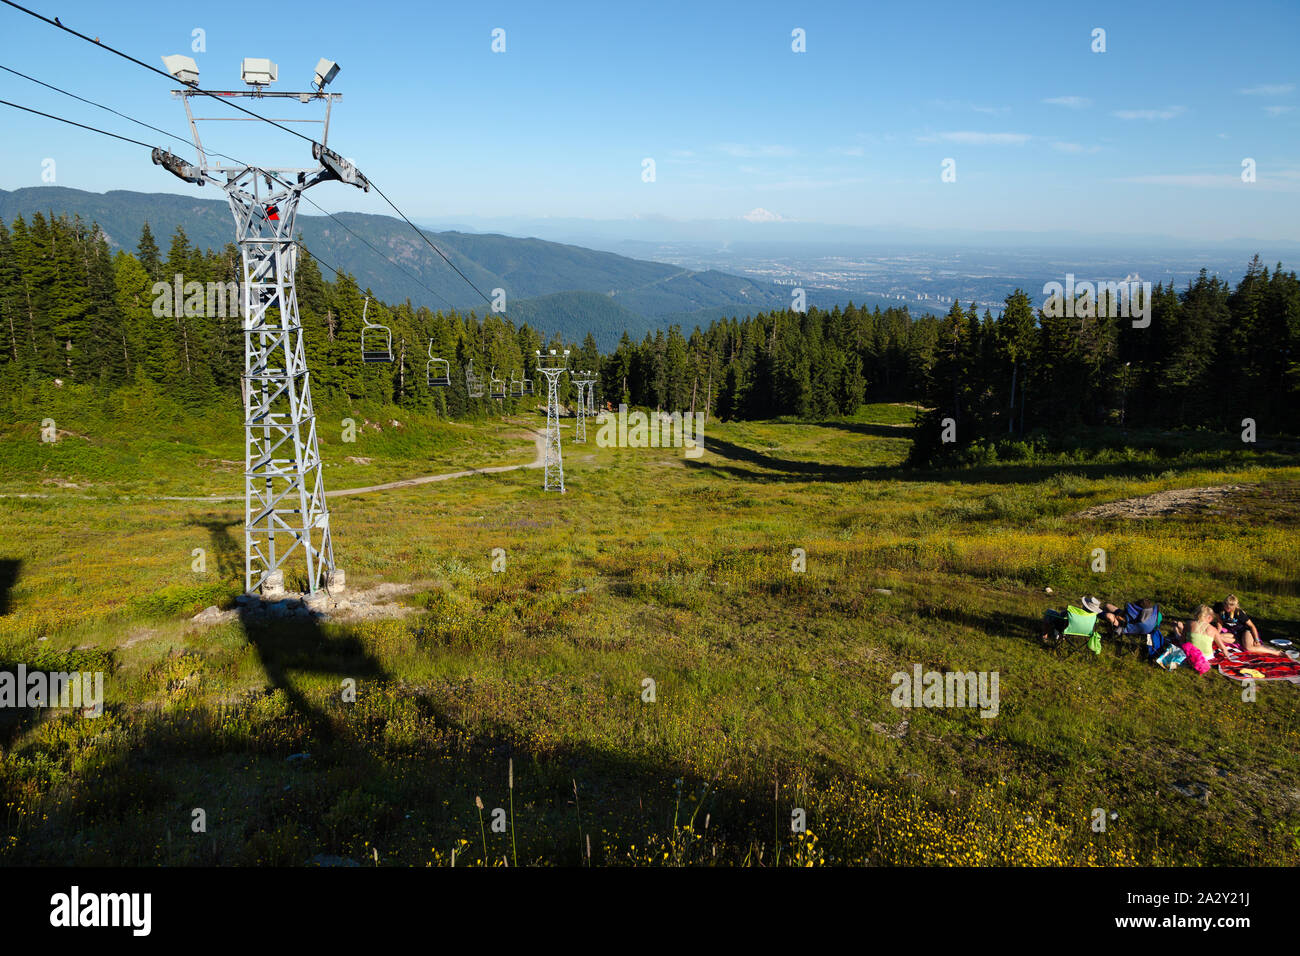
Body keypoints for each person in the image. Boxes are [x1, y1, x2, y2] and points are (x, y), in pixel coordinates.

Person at [1211, 594, 1281, 656]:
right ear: (1224, 604)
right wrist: (1218, 631)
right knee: (1217, 637)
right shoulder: (1220, 609)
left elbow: (1252, 626)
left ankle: (1276, 652)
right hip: (1234, 633)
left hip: (1245, 631)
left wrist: (1256, 639)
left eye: (1231, 608)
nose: (1229, 609)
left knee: (1248, 648)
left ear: (1235, 606)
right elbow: (1220, 622)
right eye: (1227, 607)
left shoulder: (1239, 613)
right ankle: (1240, 641)